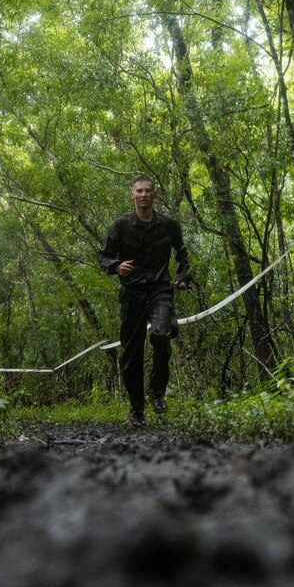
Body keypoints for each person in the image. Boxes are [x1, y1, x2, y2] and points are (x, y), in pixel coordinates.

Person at [99, 175, 191, 427]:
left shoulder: (169, 225)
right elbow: (104, 256)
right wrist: (116, 266)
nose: (144, 195)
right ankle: (136, 408)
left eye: (148, 190)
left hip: (160, 289)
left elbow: (181, 251)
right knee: (132, 353)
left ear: (154, 194)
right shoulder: (120, 226)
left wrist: (183, 277)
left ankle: (157, 391)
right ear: (132, 195)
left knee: (162, 334)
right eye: (139, 191)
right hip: (132, 293)